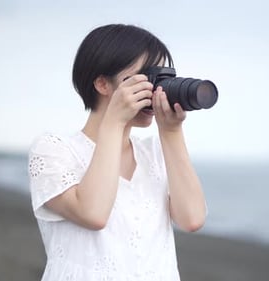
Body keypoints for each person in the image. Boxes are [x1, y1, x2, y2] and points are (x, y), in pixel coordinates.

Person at [28, 23, 207, 281]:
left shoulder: (154, 152)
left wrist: (171, 132)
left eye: (163, 79)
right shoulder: (53, 150)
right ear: (102, 83)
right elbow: (93, 213)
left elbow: (192, 219)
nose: (155, 89)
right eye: (146, 77)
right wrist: (114, 122)